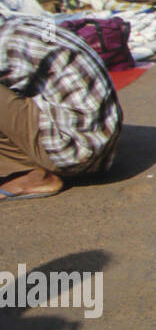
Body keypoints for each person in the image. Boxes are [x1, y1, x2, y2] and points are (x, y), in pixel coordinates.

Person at [0, 15, 123, 199]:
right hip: (100, 148)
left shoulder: (6, 43)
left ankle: (31, 175)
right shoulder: (22, 25)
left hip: (75, 154)